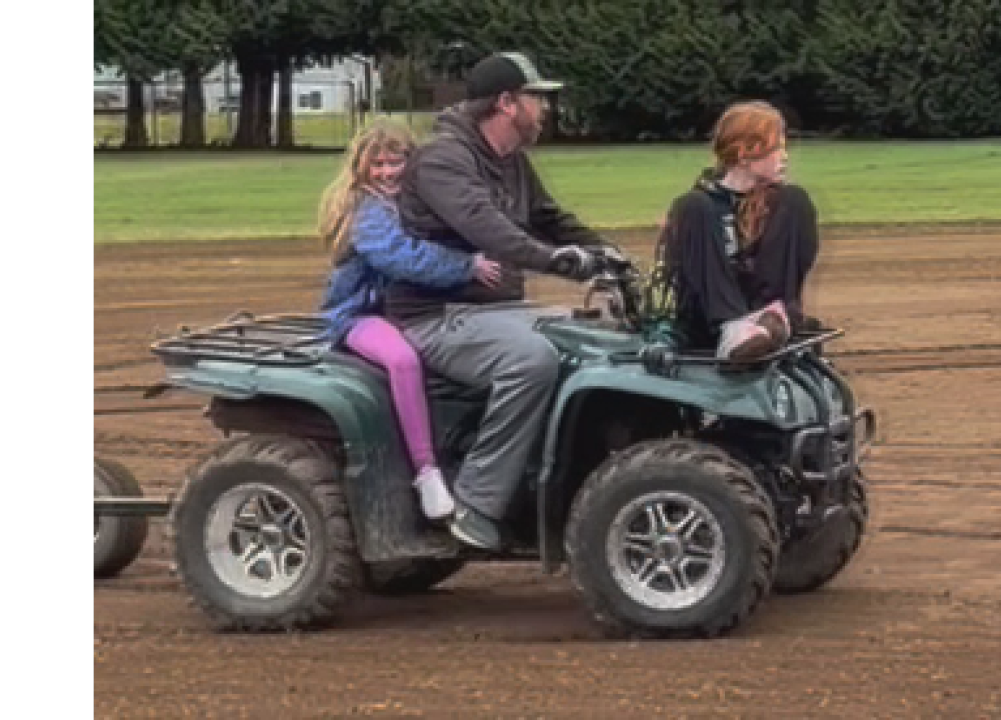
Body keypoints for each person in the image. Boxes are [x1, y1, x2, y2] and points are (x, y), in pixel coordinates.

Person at [384, 51, 619, 551]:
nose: (546, 109)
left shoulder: (510, 161)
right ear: (507, 103)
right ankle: (475, 502)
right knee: (531, 361)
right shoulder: (444, 159)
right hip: (436, 317)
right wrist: (561, 262)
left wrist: (610, 256)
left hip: (494, 312)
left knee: (598, 340)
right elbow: (490, 231)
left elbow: (552, 218)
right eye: (538, 98)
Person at [317, 120, 504, 522]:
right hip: (361, 315)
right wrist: (465, 267)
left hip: (411, 311)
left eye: (395, 162)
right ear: (361, 168)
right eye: (377, 165)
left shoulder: (417, 203)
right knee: (403, 361)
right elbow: (398, 256)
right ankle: (426, 471)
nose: (386, 174)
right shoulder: (368, 211)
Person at [641, 100, 822, 370]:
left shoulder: (783, 204)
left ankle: (769, 324)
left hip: (770, 317)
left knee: (794, 200)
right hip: (709, 323)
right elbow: (669, 283)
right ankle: (735, 331)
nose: (784, 156)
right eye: (777, 148)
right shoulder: (698, 206)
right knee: (694, 206)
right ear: (744, 154)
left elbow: (801, 261)